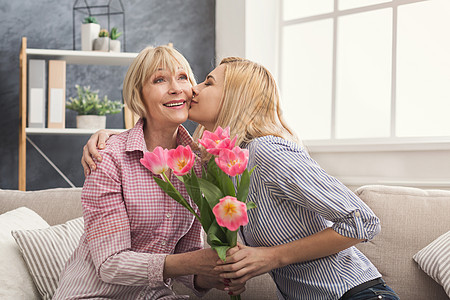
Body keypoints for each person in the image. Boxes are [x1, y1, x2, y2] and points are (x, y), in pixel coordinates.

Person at [82, 57, 399, 300]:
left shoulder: (266, 152)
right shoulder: (216, 165)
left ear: (234, 96)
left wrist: (270, 258)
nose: (193, 89)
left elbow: (363, 221)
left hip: (357, 293)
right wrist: (113, 138)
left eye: (206, 83)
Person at [54, 46, 244, 300]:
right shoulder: (108, 156)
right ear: (139, 96)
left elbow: (186, 257)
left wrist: (218, 273)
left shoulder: (199, 165)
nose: (176, 88)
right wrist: (194, 262)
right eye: (159, 79)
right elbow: (110, 264)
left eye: (183, 77)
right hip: (94, 294)